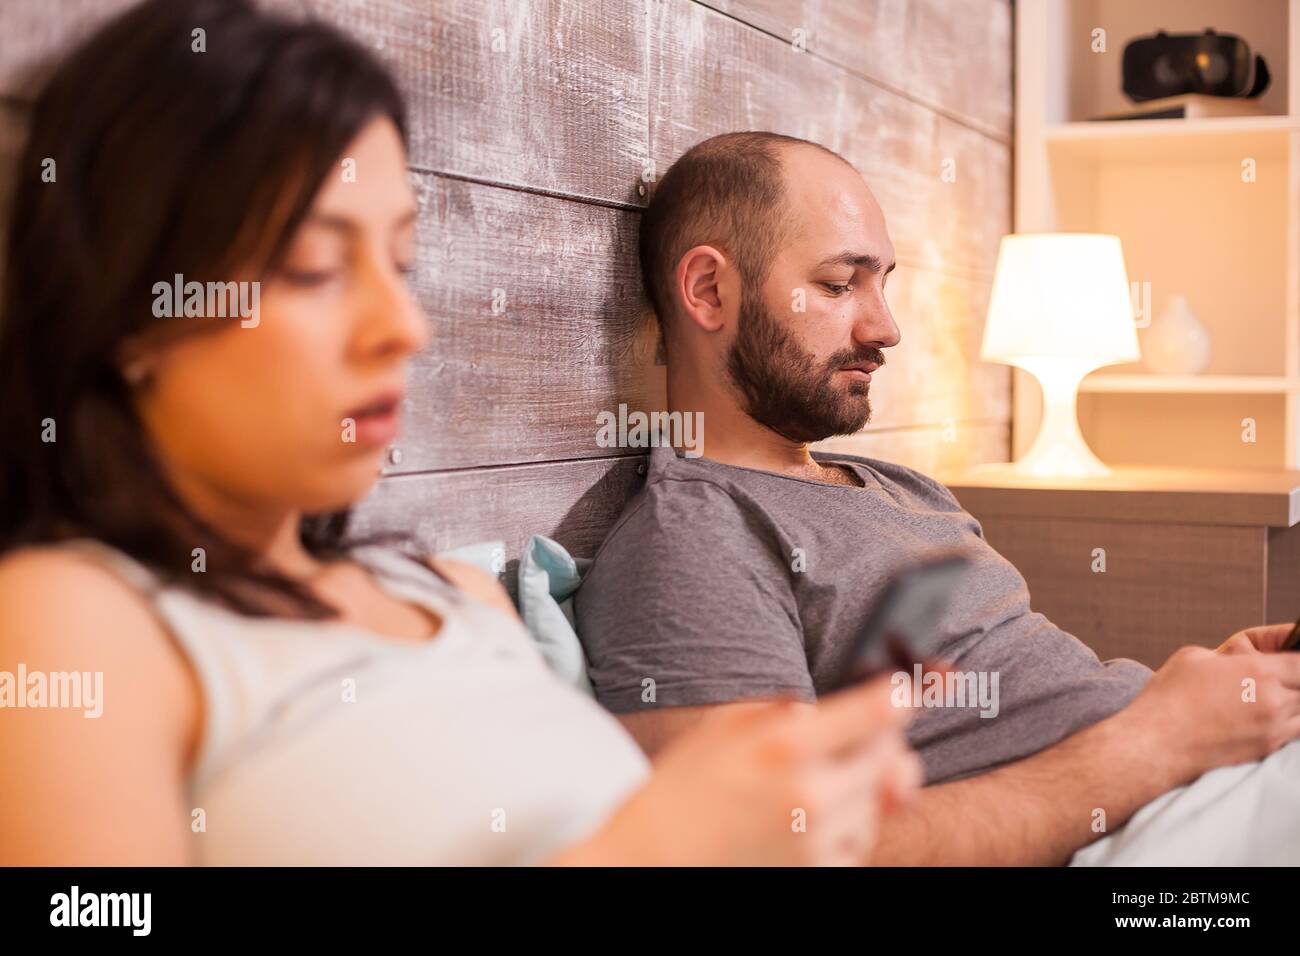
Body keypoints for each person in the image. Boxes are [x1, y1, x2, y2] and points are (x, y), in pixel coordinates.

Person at [0, 0, 920, 866]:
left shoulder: (454, 599)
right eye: (319, 267)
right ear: (134, 312)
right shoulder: (76, 621)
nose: (403, 327)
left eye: (399, 261)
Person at [574, 130, 1300, 866]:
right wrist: (1159, 739)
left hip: (1198, 784)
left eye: (882, 282)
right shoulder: (694, 535)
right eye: (837, 284)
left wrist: (1214, 696)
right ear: (708, 291)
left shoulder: (901, 486)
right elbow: (762, 854)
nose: (885, 328)